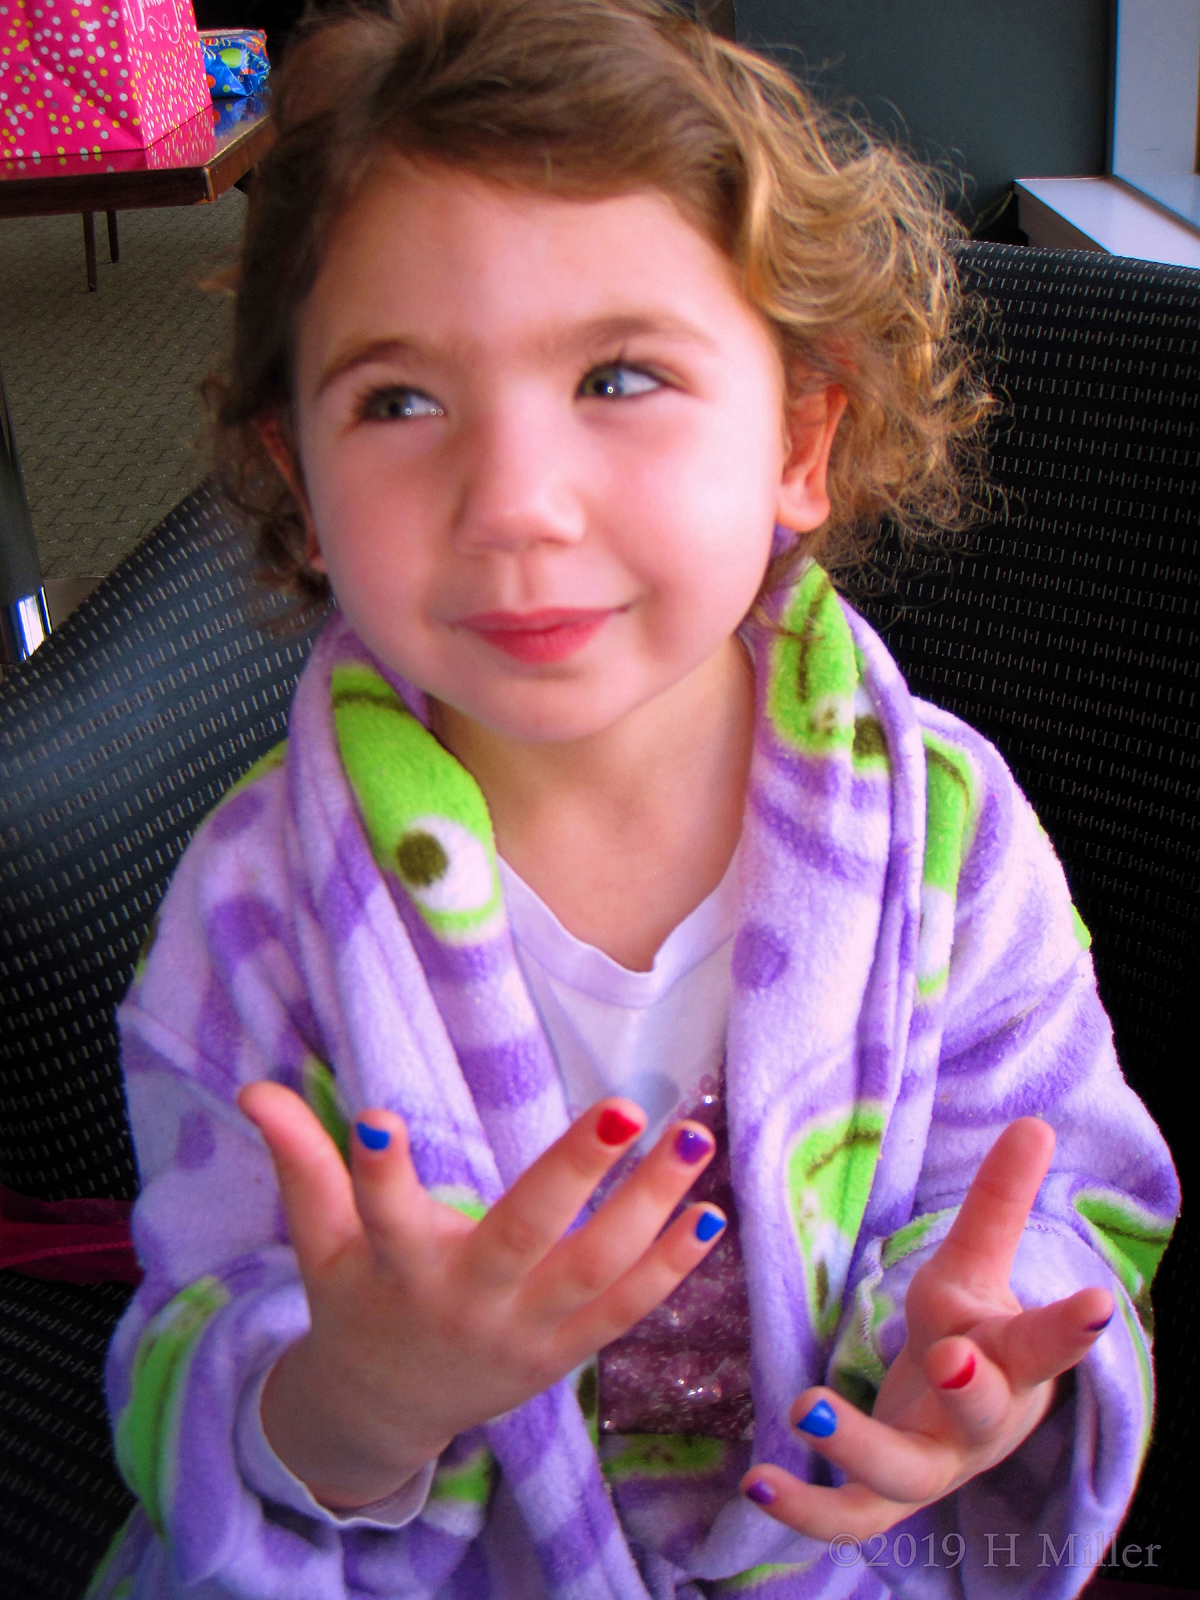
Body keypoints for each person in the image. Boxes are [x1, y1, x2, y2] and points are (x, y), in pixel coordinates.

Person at [87, 2, 1179, 1596]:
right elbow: (191, 1329)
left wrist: (978, 1363)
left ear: (804, 436)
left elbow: (1059, 1189)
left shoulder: (941, 826)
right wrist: (349, 1398)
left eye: (617, 375)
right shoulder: (255, 904)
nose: (516, 504)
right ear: (298, 478)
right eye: (398, 402)